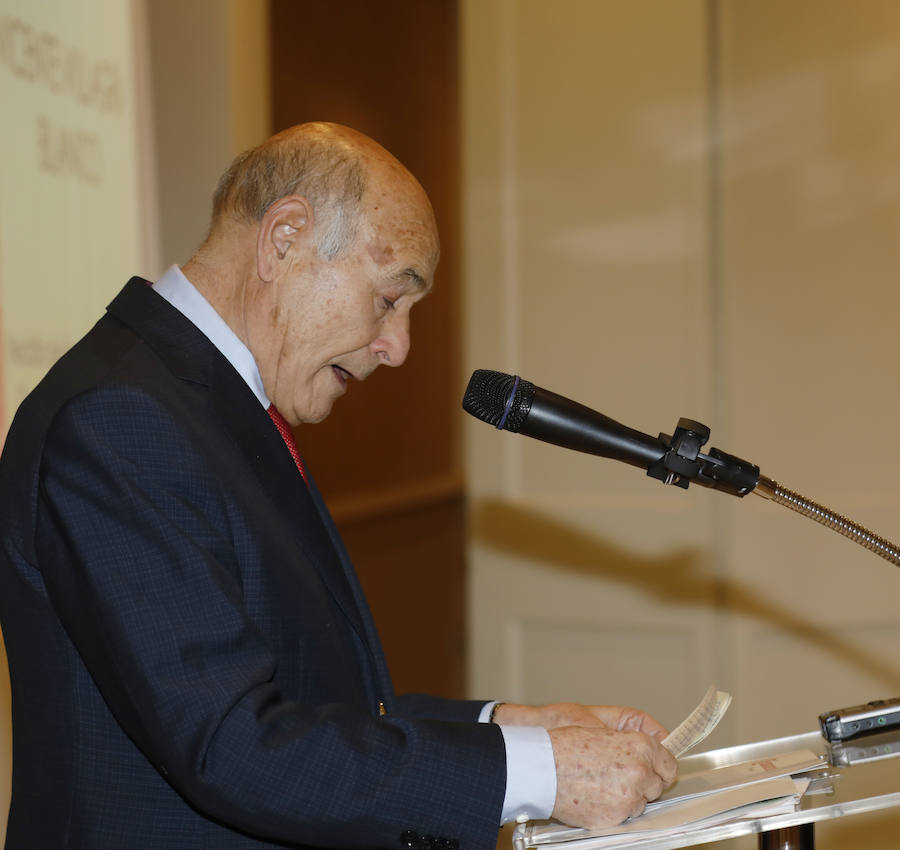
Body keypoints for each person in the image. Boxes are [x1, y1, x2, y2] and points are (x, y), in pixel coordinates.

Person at [0, 123, 676, 849]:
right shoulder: (120, 418)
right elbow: (230, 745)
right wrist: (536, 772)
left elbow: (311, 704)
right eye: (390, 298)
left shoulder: (212, 404)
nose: (398, 347)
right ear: (285, 237)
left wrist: (509, 726)